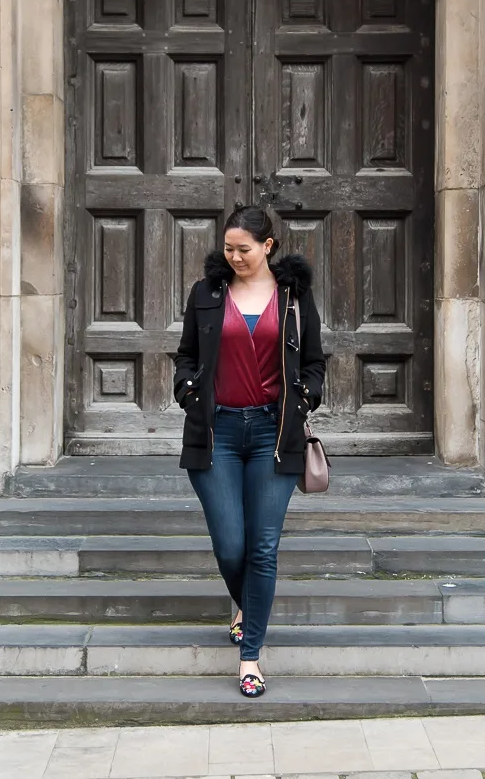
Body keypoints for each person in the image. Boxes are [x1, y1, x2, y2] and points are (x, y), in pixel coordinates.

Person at [174, 206, 326, 698]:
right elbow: (187, 356)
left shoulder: (294, 297)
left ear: (268, 246)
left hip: (272, 434)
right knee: (230, 546)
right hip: (215, 432)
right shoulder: (206, 293)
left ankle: (250, 656)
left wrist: (303, 399)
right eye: (228, 249)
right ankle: (246, 604)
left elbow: (315, 361)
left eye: (244, 249)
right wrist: (188, 393)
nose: (234, 257)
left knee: (262, 547)